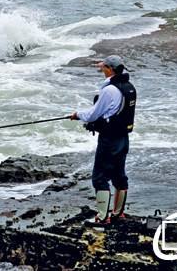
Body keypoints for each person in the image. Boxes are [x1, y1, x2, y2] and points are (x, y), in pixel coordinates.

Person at [70, 55, 136, 227]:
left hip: (109, 139)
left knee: (100, 178)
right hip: (123, 137)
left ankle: (102, 217)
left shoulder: (109, 90)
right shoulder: (128, 87)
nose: (101, 70)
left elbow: (94, 114)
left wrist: (77, 115)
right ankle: (118, 214)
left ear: (110, 69)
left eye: (103, 67)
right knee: (119, 175)